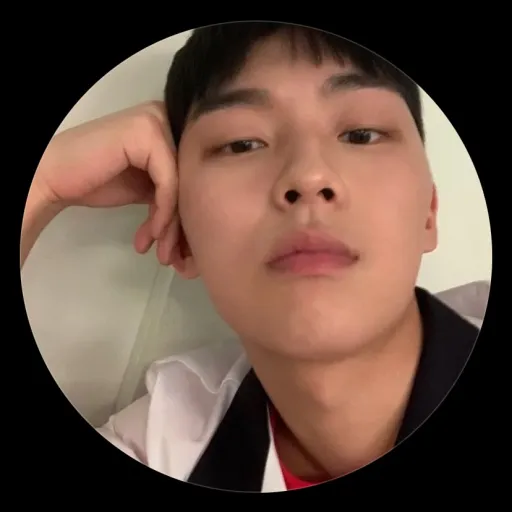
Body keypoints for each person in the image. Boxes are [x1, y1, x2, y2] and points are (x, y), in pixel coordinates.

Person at [21, 22, 481, 492]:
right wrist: (42, 185)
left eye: (361, 134)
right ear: (180, 235)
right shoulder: (164, 441)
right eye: (242, 144)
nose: (308, 176)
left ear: (429, 212)